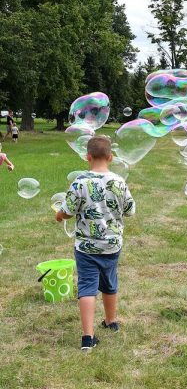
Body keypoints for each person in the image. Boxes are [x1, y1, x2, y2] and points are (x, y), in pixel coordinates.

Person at [56, 136, 135, 350]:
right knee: (110, 283)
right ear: (110, 157)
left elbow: (67, 211)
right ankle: (111, 322)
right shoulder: (119, 182)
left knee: (87, 287)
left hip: (86, 248)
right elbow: (130, 211)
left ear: (87, 157)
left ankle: (88, 338)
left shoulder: (79, 182)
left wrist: (59, 216)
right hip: (111, 245)